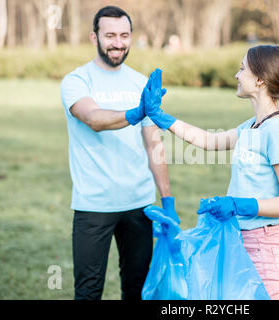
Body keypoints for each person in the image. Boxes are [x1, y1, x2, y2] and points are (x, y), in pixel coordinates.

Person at [144, 45, 279, 300]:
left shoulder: (276, 131)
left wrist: (237, 204)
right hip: (239, 243)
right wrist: (161, 116)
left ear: (260, 79)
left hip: (264, 251)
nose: (236, 75)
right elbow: (210, 141)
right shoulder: (254, 126)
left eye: (242, 68)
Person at [60, 6, 178, 300]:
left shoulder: (140, 83)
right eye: (110, 35)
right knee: (88, 292)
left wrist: (167, 201)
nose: (118, 42)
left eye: (124, 35)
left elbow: (154, 145)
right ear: (94, 37)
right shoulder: (77, 81)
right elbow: (94, 119)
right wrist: (137, 111)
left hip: (139, 204)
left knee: (138, 290)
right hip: (93, 205)